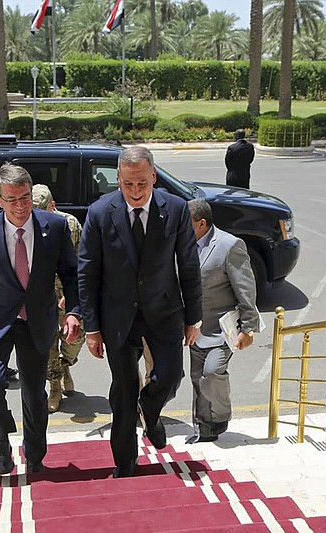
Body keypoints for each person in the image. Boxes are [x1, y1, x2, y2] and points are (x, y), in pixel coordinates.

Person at [78, 146, 202, 478]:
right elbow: (87, 272)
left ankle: (150, 409)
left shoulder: (175, 209)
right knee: (123, 389)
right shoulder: (100, 213)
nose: (135, 192)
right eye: (128, 184)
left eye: (142, 185)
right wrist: (92, 327)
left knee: (171, 375)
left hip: (164, 311)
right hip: (117, 317)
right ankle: (125, 461)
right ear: (117, 179)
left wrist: (194, 317)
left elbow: (188, 266)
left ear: (154, 177)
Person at [0, 163, 81, 475]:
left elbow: (71, 274)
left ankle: (35, 453)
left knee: (34, 393)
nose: (21, 206)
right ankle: (1, 439)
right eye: (13, 200)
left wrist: (76, 311)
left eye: (25, 198)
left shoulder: (55, 227)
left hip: (37, 319)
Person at [187, 199, 260, 443]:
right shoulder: (183, 245)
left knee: (211, 373)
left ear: (202, 224)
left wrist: (249, 328)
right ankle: (203, 429)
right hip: (195, 328)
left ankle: (219, 418)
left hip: (222, 329)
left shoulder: (230, 246)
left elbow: (245, 289)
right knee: (197, 378)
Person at [31, 184, 85, 413]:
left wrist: (72, 296)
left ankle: (65, 366)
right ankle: (54, 385)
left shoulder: (70, 225)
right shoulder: (26, 226)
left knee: (74, 340)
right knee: (47, 343)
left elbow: (82, 263)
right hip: (41, 295)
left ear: (52, 205)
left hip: (66, 293)